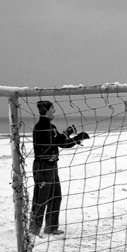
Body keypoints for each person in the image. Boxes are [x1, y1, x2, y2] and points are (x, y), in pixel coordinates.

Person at [29, 100, 90, 236]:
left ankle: (51, 227)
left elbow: (62, 144)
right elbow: (53, 143)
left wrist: (77, 138)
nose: (55, 110)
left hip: (52, 165)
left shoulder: (52, 127)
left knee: (56, 196)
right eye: (53, 108)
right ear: (46, 110)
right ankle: (34, 229)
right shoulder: (40, 127)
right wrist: (67, 133)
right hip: (43, 166)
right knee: (41, 198)